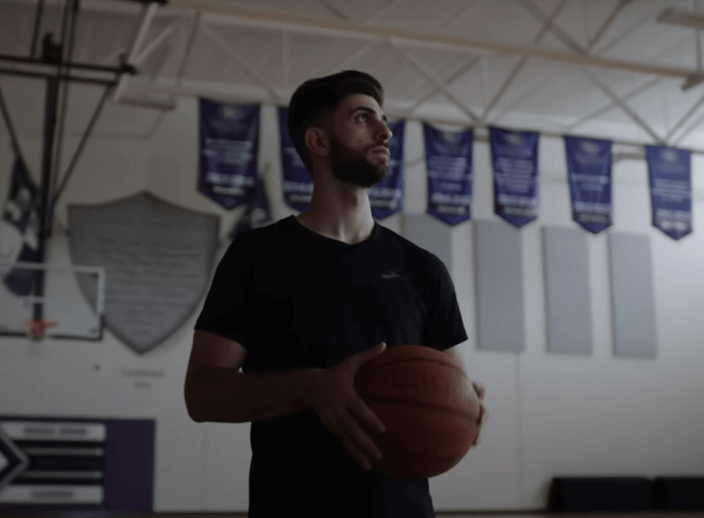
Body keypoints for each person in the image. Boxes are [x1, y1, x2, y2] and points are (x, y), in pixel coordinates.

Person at [185, 70, 488, 518]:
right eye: (364, 119)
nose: (385, 131)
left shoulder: (423, 269)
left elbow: (452, 387)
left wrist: (463, 405)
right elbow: (202, 394)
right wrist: (309, 387)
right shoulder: (256, 255)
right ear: (319, 141)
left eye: (383, 119)